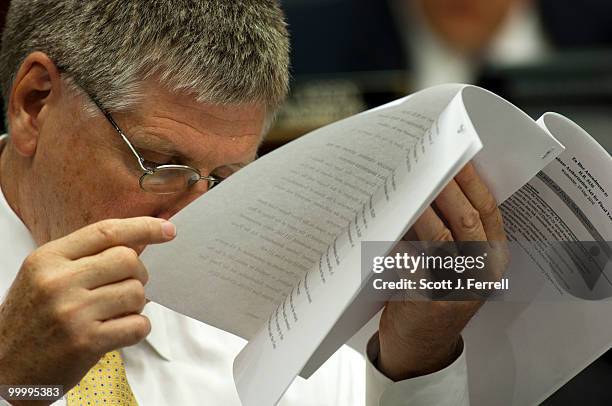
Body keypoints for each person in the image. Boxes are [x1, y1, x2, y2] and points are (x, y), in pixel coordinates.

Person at [0, 1, 506, 405]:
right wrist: (14, 381)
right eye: (161, 165)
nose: (188, 220)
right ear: (34, 102)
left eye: (223, 179)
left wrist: (417, 363)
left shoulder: (276, 327)